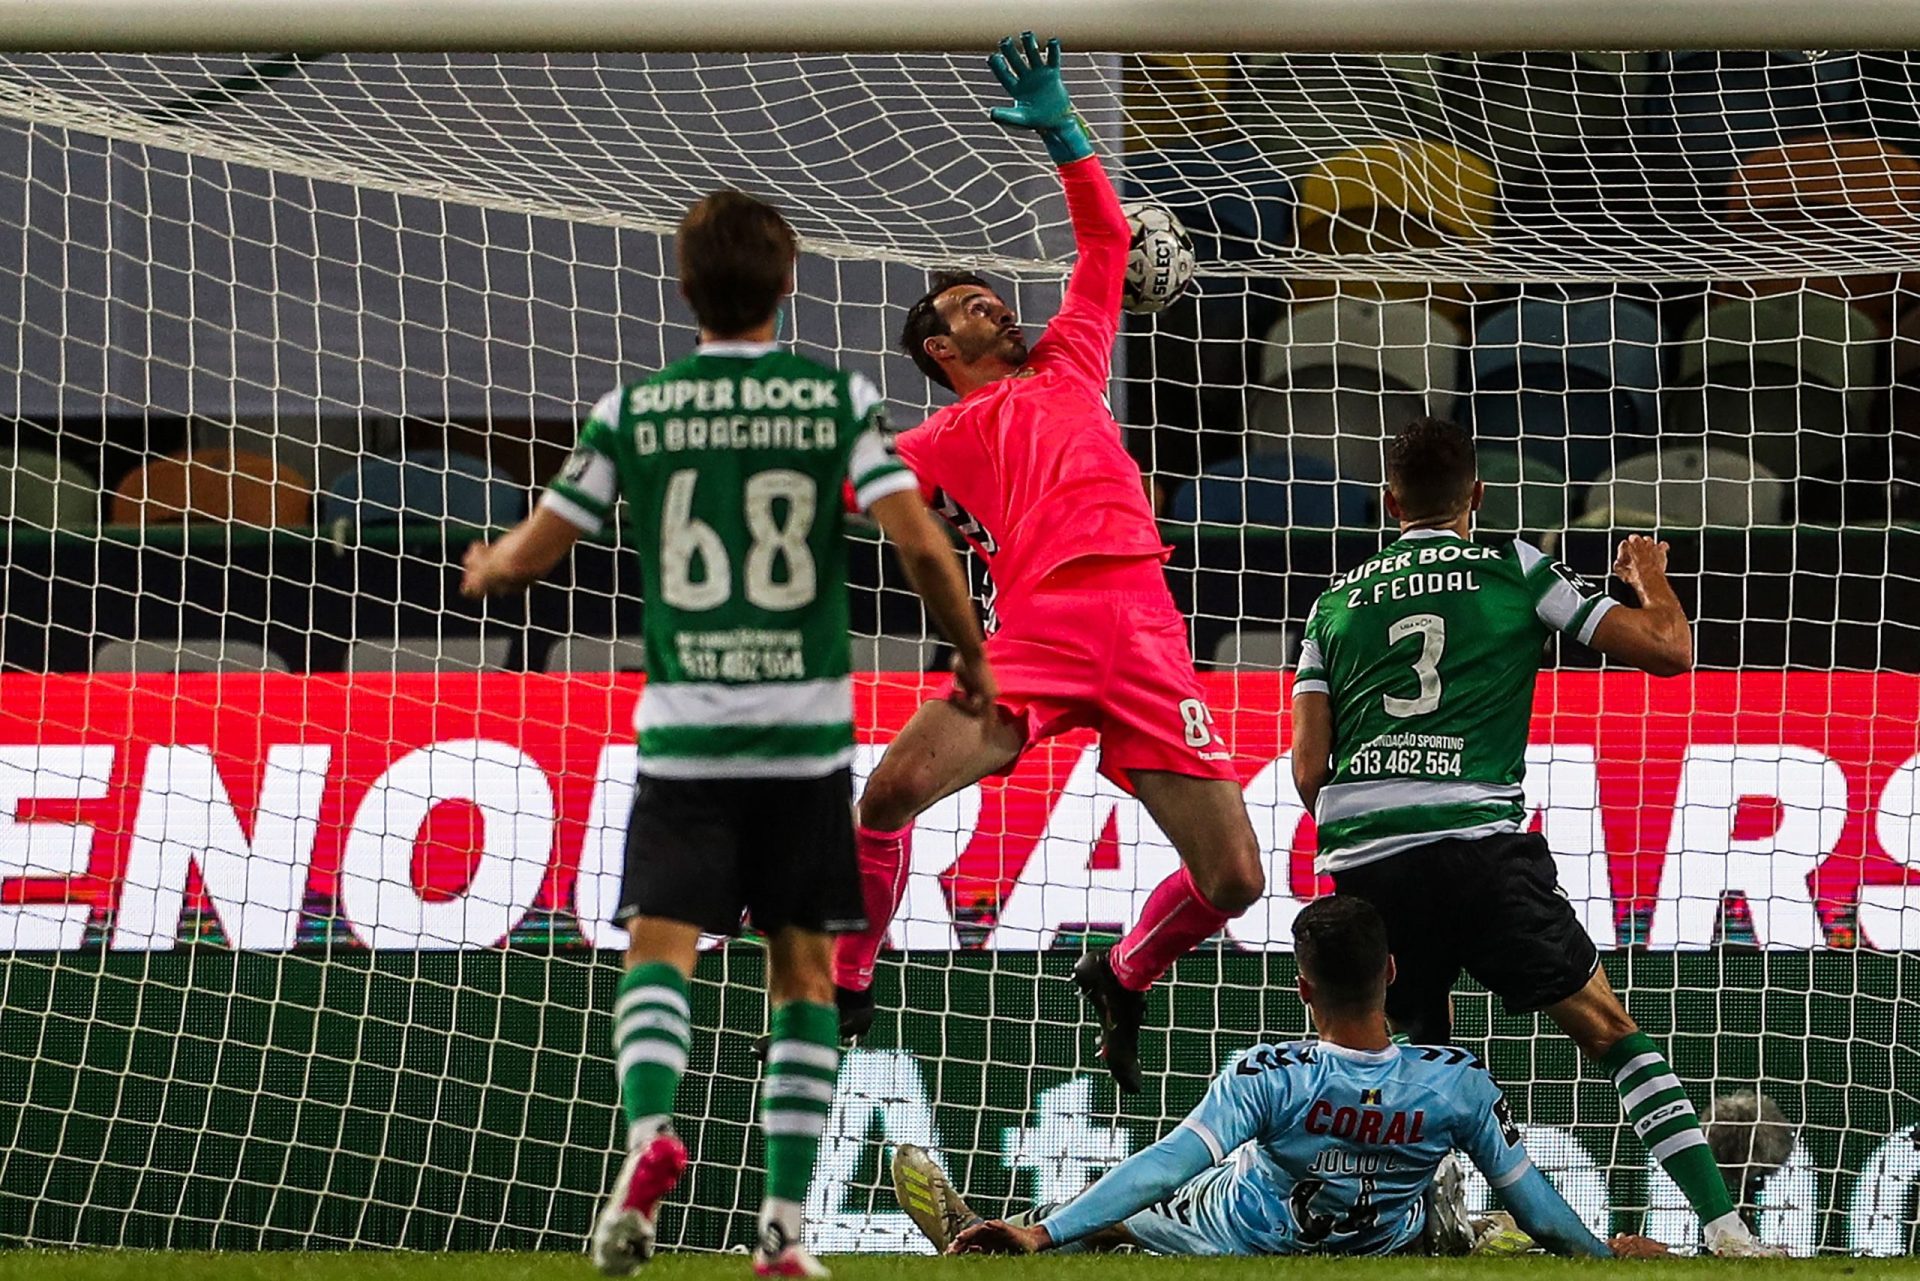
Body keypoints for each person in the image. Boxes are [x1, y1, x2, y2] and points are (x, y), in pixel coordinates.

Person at [460, 189, 995, 1279]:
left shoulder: (637, 411)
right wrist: (971, 653)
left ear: (684, 286)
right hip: (800, 739)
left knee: (661, 951)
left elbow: (534, 551)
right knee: (801, 976)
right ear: (788, 281)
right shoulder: (831, 403)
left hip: (688, 734)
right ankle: (785, 1235)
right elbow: (923, 547)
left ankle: (650, 1137)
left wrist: (486, 568)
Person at [831, 32, 1264, 1094]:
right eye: (970, 306)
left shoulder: (1071, 358)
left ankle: (1123, 971)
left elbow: (1106, 241)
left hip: (1147, 633)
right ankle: (846, 988)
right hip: (1039, 637)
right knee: (884, 798)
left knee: (1238, 880)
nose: (995, 305)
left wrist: (1067, 131)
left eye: (991, 295)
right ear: (938, 349)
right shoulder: (936, 438)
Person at [1289, 416, 1778, 1259]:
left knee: (1420, 1051)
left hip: (1367, 857)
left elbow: (1306, 768)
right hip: (1476, 844)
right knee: (1607, 1027)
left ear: (1388, 500)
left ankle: (1424, 1222)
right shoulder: (1514, 564)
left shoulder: (1335, 602)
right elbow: (1669, 650)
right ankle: (1726, 1229)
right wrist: (1649, 578)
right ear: (1477, 495)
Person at [891, 896, 1668, 1259]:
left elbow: (1168, 1160)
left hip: (1233, 1234)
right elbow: (1537, 1206)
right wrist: (1599, 1258)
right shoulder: (1457, 1081)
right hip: (1382, 1241)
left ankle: (1018, 1227)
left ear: (1301, 986)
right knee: (1458, 1213)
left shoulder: (1271, 1074)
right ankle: (1461, 1229)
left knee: (1127, 1215)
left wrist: (1040, 1233)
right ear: (1392, 972)